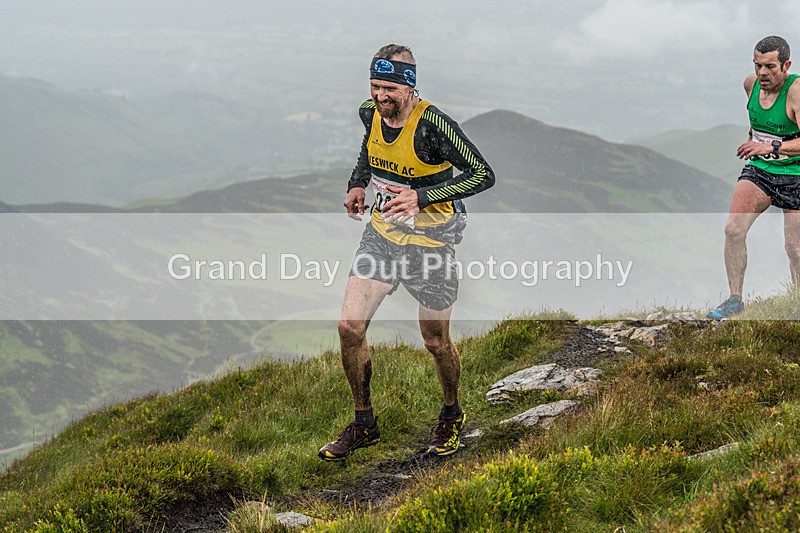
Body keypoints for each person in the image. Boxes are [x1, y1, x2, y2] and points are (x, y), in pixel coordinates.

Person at [318, 44, 495, 461]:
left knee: (435, 341)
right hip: (383, 235)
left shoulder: (433, 125)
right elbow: (369, 149)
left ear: (410, 88)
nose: (381, 97)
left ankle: (451, 413)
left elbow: (483, 175)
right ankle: (364, 424)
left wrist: (421, 197)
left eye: (390, 89)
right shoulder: (370, 112)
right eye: (375, 86)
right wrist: (357, 184)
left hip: (433, 242)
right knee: (349, 327)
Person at [707, 35, 800, 320]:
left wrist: (772, 146)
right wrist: (755, 141)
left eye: (770, 66)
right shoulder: (750, 85)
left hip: (795, 174)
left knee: (795, 248)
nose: (763, 73)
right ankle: (735, 300)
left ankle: (797, 303)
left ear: (786, 64)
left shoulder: (797, 92)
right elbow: (758, 124)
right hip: (760, 170)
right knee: (733, 229)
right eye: (758, 65)